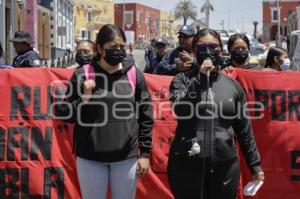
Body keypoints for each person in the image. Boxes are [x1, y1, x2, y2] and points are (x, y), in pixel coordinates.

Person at [55, 24, 153, 199]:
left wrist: (145, 153)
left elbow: (146, 115)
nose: (119, 50)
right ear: (100, 48)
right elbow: (66, 114)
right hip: (90, 159)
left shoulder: (134, 74)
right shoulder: (82, 75)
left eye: (122, 46)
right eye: (113, 47)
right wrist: (85, 97)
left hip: (126, 159)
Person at [167, 28, 264, 199]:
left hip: (225, 167)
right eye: (202, 47)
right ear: (194, 51)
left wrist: (255, 165)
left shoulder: (233, 87)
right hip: (186, 166)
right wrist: (199, 80)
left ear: (221, 50)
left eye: (213, 46)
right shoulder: (181, 80)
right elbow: (180, 110)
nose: (208, 52)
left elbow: (244, 130)